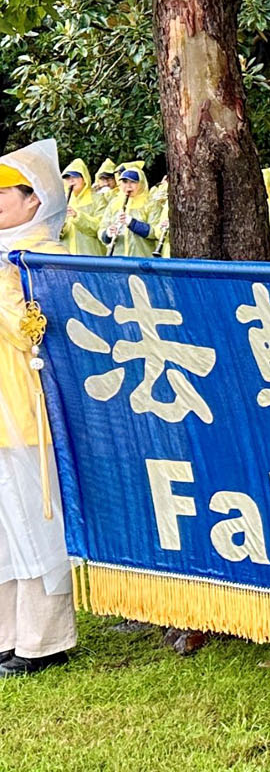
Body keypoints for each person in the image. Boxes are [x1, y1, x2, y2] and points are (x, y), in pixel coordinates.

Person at [0, 139, 76, 676]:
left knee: (36, 522)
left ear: (35, 199)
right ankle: (8, 633)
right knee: (4, 530)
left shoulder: (44, 258)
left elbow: (34, 331)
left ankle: (45, 640)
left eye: (3, 195)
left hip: (29, 409)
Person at [99, 164, 158, 257]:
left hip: (142, 260)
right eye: (125, 182)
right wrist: (107, 234)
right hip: (117, 259)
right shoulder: (114, 203)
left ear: (141, 183)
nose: (128, 186)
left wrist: (132, 223)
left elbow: (155, 232)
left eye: (133, 182)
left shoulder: (150, 204)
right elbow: (102, 229)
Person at [59, 159, 101, 255]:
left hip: (90, 256)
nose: (71, 180)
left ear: (84, 178)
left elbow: (99, 227)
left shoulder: (97, 199)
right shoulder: (62, 201)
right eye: (67, 178)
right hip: (66, 256)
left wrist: (77, 216)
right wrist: (59, 227)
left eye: (75, 177)